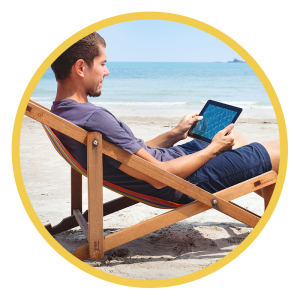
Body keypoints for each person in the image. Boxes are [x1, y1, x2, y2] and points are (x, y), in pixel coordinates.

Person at [50, 32, 280, 209]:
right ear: (81, 67)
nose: (107, 72)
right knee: (280, 151)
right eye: (102, 64)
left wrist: (175, 133)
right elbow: (158, 177)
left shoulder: (63, 112)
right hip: (181, 183)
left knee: (236, 137)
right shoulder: (95, 117)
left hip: (175, 165)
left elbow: (128, 156)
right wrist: (213, 150)